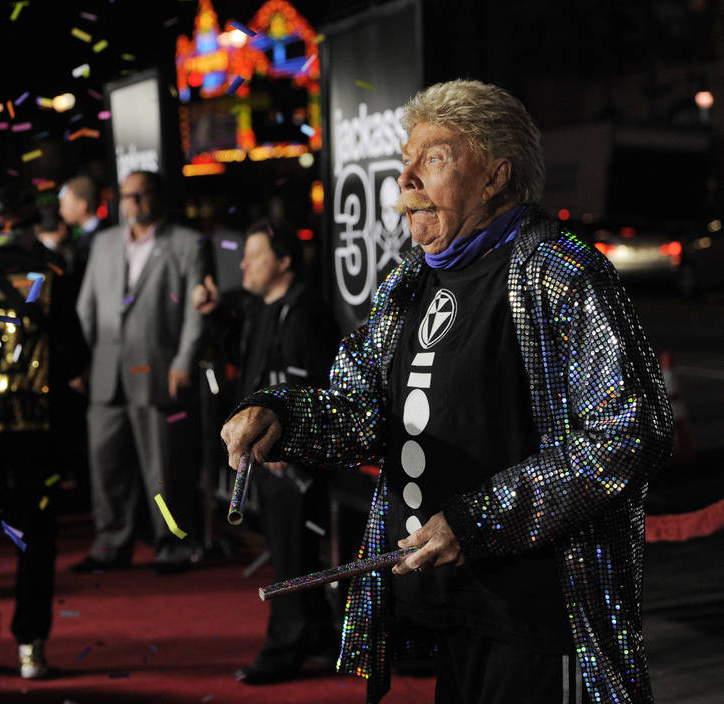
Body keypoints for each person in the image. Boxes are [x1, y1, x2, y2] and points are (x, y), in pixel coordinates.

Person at [220, 79, 673, 704]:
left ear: (495, 176)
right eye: (406, 161)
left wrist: (478, 521)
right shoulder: (407, 284)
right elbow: (360, 409)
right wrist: (282, 417)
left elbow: (628, 432)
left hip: (541, 619)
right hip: (450, 610)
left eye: (433, 159)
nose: (406, 178)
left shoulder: (562, 272)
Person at [192, 219, 340, 684]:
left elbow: (318, 385)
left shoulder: (307, 312)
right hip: (265, 455)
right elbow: (236, 349)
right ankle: (316, 638)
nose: (244, 265)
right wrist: (213, 312)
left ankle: (284, 650)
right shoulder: (260, 310)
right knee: (288, 550)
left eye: (253, 256)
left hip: (294, 458)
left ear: (283, 261)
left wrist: (291, 438)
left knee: (295, 555)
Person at [0, 184, 87, 678]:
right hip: (36, 427)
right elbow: (74, 352)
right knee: (35, 535)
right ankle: (32, 646)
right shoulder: (50, 274)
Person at [72, 170, 207, 575]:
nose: (135, 203)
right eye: (128, 196)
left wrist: (185, 359)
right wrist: (81, 362)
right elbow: (86, 308)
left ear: (158, 197)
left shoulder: (187, 243)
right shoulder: (104, 242)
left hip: (158, 368)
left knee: (164, 467)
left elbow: (195, 310)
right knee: (105, 464)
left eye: (143, 195)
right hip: (105, 371)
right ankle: (111, 542)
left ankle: (172, 545)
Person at [58, 174, 104, 276]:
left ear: (82, 206)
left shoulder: (102, 238)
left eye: (64, 206)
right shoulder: (76, 235)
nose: (60, 212)